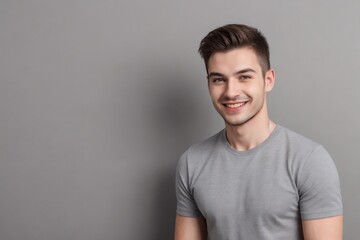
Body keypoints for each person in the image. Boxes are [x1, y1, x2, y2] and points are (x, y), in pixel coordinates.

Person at [174, 24, 343, 240]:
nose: (231, 92)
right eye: (218, 79)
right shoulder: (191, 163)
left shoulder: (309, 161)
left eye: (244, 77)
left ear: (268, 80)